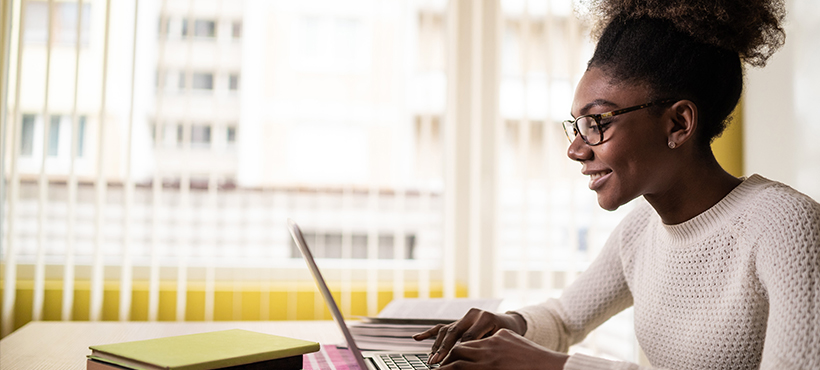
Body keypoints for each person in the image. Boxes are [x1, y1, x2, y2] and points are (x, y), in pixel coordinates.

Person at [412, 0, 820, 369]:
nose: (575, 150)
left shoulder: (785, 225)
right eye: (577, 125)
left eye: (598, 122)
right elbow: (563, 318)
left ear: (678, 123)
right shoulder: (641, 229)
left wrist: (557, 367)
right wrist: (509, 324)